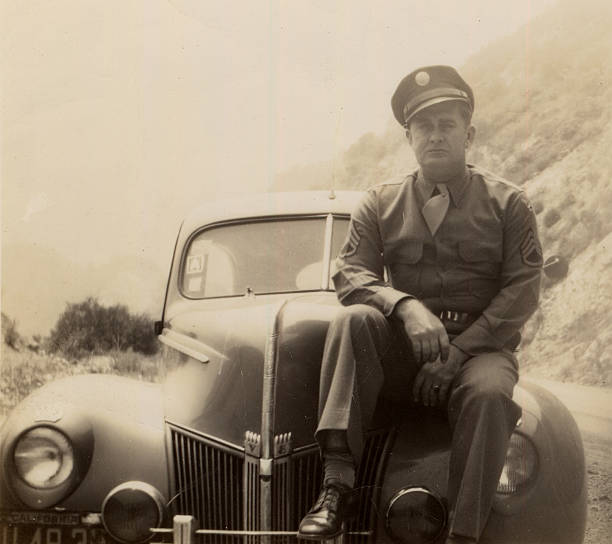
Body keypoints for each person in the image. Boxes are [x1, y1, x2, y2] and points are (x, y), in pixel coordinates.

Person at [297, 65, 543, 543]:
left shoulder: (509, 204)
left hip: (480, 354)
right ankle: (335, 488)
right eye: (423, 127)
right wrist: (405, 305)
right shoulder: (380, 202)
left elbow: (522, 291)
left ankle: (463, 533)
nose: (435, 137)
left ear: (468, 133)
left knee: (492, 393)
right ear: (409, 137)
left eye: (447, 125)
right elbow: (351, 274)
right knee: (353, 320)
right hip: (406, 352)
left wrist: (458, 354)